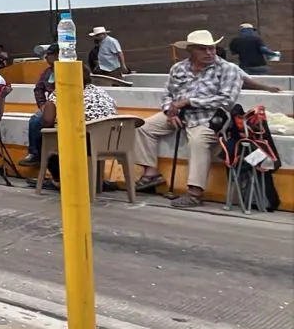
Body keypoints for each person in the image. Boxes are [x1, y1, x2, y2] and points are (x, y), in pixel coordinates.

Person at [130, 30, 245, 209]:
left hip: (210, 117)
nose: (209, 53)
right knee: (143, 127)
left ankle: (194, 193)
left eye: (212, 48)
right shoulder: (178, 68)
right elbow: (167, 94)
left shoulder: (228, 69)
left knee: (198, 142)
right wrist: (170, 111)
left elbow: (227, 100)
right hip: (179, 114)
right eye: (203, 49)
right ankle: (151, 172)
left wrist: (188, 102)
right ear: (191, 50)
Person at [38, 82, 119, 189]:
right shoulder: (102, 92)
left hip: (83, 143)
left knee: (41, 137)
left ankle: (60, 180)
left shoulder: (60, 93)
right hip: (111, 142)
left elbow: (47, 122)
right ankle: (96, 181)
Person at [20, 45, 59, 166]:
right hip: (51, 105)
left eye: (49, 55)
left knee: (37, 121)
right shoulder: (48, 72)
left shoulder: (69, 69)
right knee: (35, 121)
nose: (46, 57)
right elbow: (38, 89)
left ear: (57, 55)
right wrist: (42, 104)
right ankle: (35, 153)